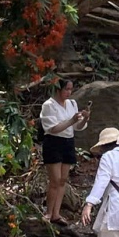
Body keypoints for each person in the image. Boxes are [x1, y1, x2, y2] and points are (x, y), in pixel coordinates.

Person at [38, 78, 85, 225]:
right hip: (53, 141)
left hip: (68, 142)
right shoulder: (49, 105)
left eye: (71, 89)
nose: (68, 92)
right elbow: (53, 128)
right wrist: (71, 121)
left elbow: (77, 126)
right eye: (66, 89)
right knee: (55, 180)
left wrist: (84, 119)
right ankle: (48, 212)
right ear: (58, 89)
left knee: (63, 179)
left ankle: (56, 214)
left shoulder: (72, 104)